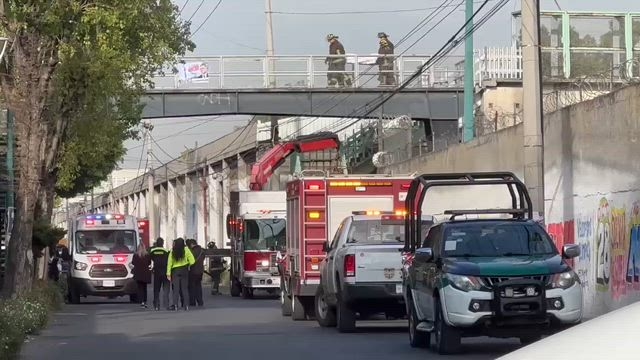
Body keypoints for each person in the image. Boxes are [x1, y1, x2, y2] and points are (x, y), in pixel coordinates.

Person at [167, 238, 195, 311]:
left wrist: (168, 274)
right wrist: (188, 264)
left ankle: (175, 305)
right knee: (184, 289)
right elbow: (192, 261)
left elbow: (169, 263)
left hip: (175, 271)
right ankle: (186, 306)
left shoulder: (172, 251)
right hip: (184, 270)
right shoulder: (186, 250)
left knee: (176, 289)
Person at [149, 237, 170, 311]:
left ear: (157, 243)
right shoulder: (166, 251)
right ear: (163, 243)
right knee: (166, 289)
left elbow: (150, 259)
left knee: (156, 289)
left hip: (157, 272)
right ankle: (166, 304)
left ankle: (156, 305)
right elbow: (169, 260)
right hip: (165, 271)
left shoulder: (153, 251)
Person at [132, 243, 152, 308]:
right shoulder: (147, 255)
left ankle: (141, 302)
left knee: (140, 288)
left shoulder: (135, 255)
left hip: (138, 274)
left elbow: (133, 263)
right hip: (145, 274)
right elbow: (149, 262)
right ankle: (145, 301)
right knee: (144, 288)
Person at [186, 239, 205, 307]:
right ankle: (200, 301)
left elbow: (190, 260)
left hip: (193, 271)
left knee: (192, 287)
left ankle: (192, 301)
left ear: (191, 244)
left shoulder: (191, 251)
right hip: (200, 271)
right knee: (198, 286)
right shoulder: (202, 250)